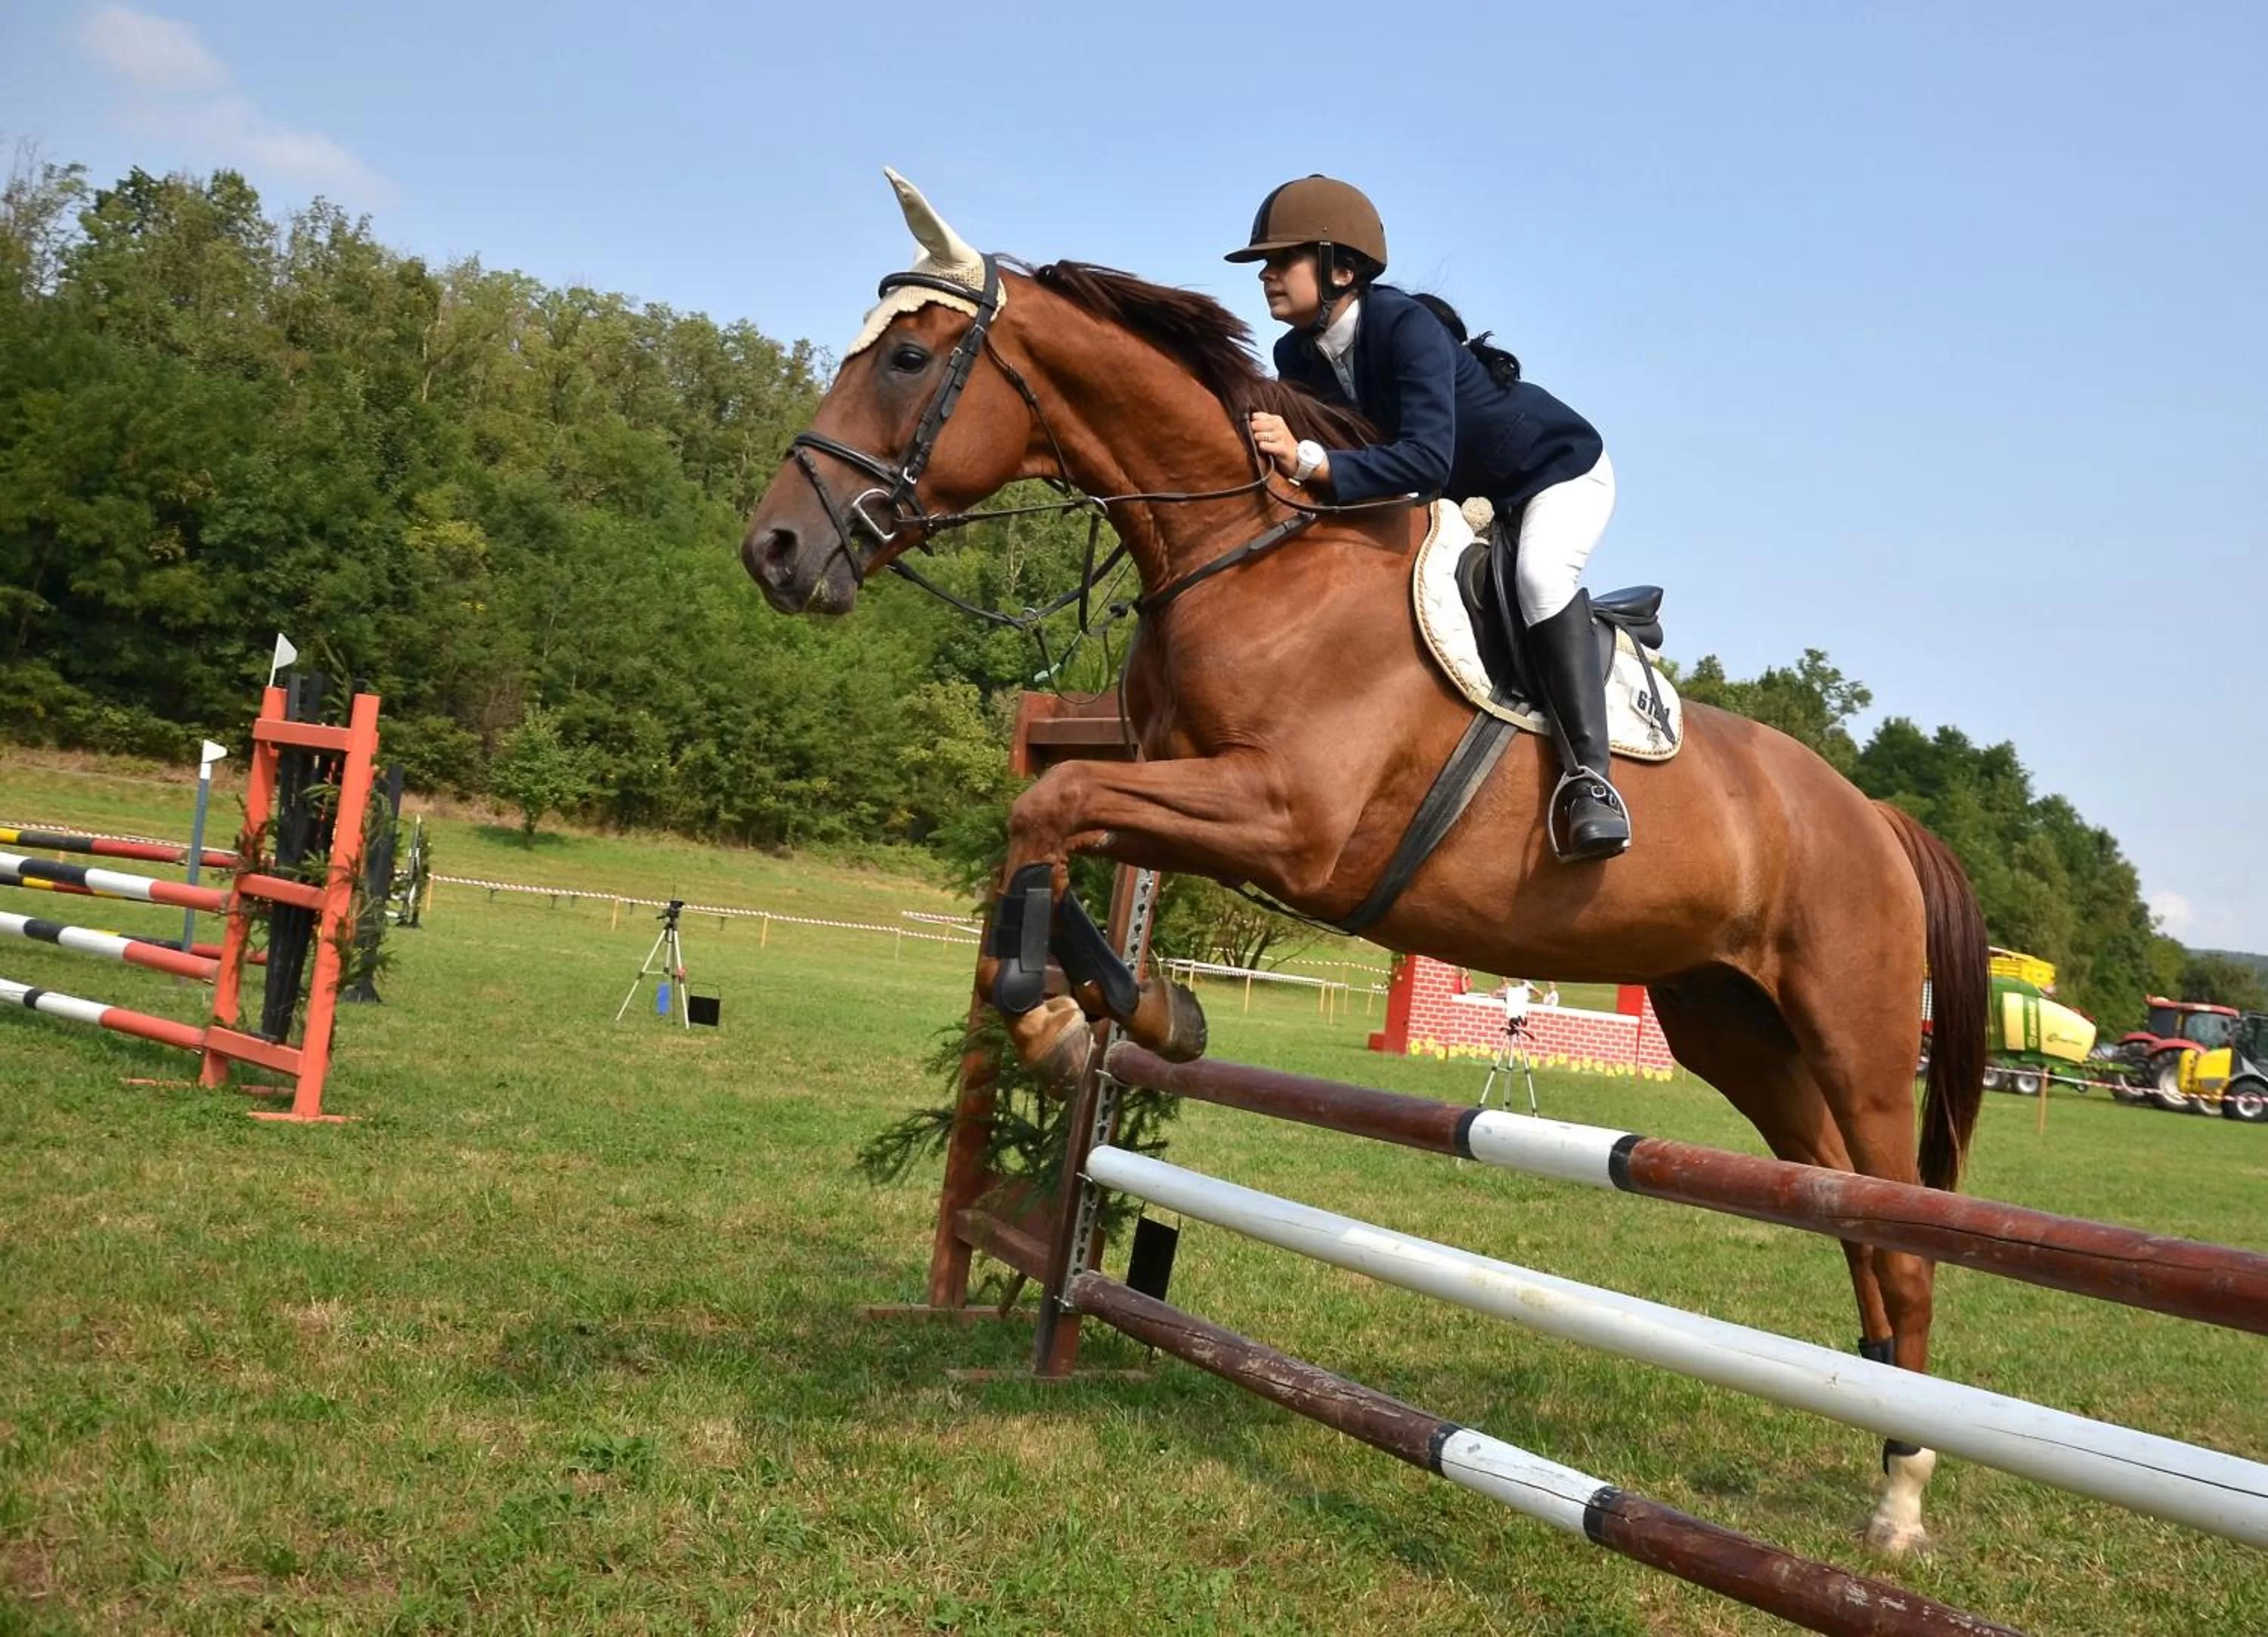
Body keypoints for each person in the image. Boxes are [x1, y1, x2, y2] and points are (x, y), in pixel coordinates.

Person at [1226, 175, 1628, 861]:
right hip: (1467, 496)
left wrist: (1314, 464)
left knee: (1537, 578)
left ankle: (1591, 782)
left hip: (1556, 471)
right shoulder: (1296, 354)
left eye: (1281, 258)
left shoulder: (1401, 325)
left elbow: (1422, 464)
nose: (1265, 274)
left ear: (1340, 267)